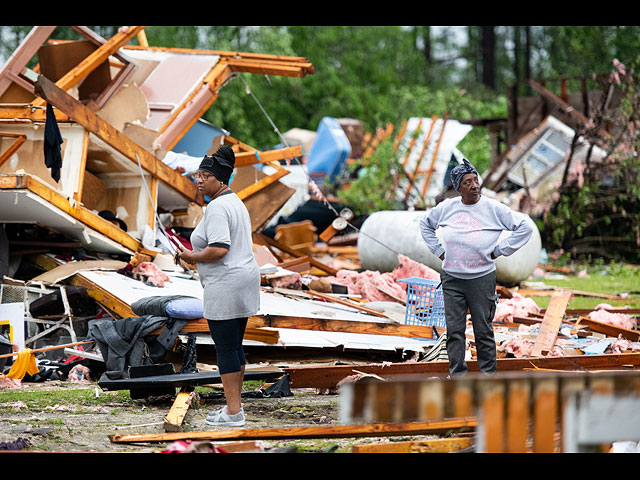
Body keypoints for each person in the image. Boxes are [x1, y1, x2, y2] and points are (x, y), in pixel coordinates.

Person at [419, 158, 533, 377]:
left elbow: (524, 227)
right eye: (467, 182)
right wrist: (439, 251)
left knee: (483, 330)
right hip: (452, 279)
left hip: (481, 279)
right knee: (455, 332)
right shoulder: (447, 208)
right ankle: (457, 377)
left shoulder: (493, 208)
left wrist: (500, 250)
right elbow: (425, 224)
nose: (474, 185)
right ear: (458, 188)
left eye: (475, 180)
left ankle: (488, 377)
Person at [175, 145, 260, 427]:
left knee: (225, 348)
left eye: (205, 175)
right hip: (243, 279)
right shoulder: (235, 201)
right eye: (198, 175)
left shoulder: (218, 207)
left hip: (226, 283)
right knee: (235, 346)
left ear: (220, 179)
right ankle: (234, 409)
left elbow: (219, 248)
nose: (199, 180)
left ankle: (234, 413)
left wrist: (191, 257)